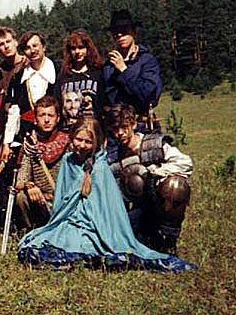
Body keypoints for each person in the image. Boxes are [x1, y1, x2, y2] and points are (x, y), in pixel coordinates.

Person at [17, 118, 195, 272]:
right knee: (38, 242)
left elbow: (104, 207)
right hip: (69, 220)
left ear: (96, 143)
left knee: (81, 243)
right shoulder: (68, 161)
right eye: (78, 139)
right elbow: (62, 201)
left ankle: (166, 239)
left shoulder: (100, 167)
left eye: (88, 142)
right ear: (72, 137)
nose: (82, 145)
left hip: (96, 225)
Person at [105, 104, 193, 254]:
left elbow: (185, 162)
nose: (119, 133)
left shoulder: (153, 144)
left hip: (160, 204)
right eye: (115, 129)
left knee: (176, 185)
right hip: (138, 208)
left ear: (133, 124)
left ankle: (168, 240)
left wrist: (156, 173)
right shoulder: (114, 155)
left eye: (124, 127)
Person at [15, 96, 70, 229]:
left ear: (57, 118)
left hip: (63, 199)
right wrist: (29, 186)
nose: (46, 120)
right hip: (39, 200)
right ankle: (30, 230)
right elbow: (20, 180)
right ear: (35, 119)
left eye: (50, 115)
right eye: (42, 115)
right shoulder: (31, 144)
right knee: (20, 197)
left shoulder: (68, 143)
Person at [2, 31, 56, 163]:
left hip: (54, 142)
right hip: (27, 142)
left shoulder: (59, 72)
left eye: (35, 45)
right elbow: (14, 111)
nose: (32, 50)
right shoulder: (19, 77)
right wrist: (7, 143)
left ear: (44, 46)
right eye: (27, 47)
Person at [102, 9, 162, 121]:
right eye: (115, 32)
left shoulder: (147, 61)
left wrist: (124, 70)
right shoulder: (108, 66)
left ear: (134, 32)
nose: (119, 35)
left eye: (124, 31)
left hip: (141, 124)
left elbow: (148, 95)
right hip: (115, 125)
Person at [55, 29, 105, 129]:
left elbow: (103, 104)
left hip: (92, 129)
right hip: (68, 130)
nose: (77, 52)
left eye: (81, 47)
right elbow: (57, 104)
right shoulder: (63, 76)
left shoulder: (97, 73)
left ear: (88, 49)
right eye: (73, 48)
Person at [0, 26, 26, 91]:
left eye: (8, 41)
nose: (6, 46)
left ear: (16, 42)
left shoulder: (28, 65)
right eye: (1, 44)